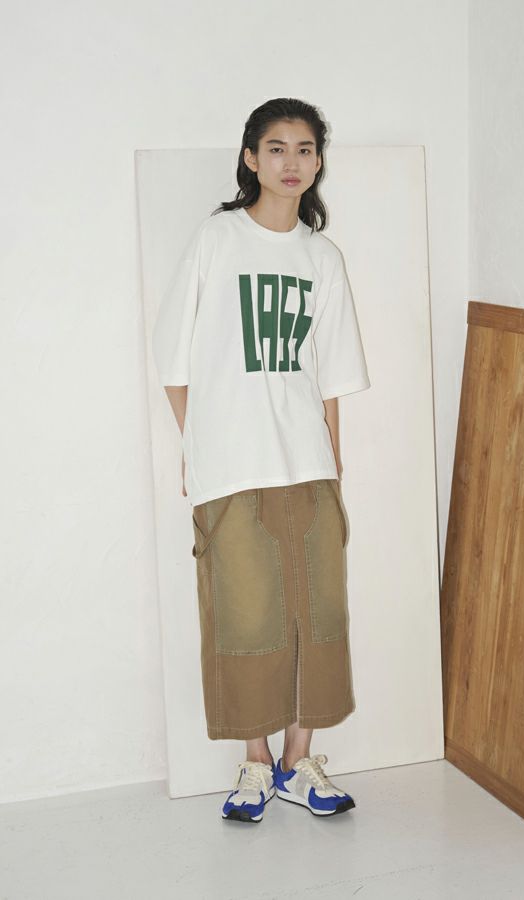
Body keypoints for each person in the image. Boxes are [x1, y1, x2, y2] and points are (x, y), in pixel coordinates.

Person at [152, 97, 371, 823]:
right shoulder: (217, 239)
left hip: (306, 465)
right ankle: (254, 761)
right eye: (276, 148)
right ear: (250, 158)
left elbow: (331, 376)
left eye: (305, 149)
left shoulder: (321, 258)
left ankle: (297, 763)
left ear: (318, 160)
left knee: (317, 614)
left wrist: (332, 466)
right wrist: (196, 444)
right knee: (244, 618)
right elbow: (172, 358)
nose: (291, 162)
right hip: (233, 466)